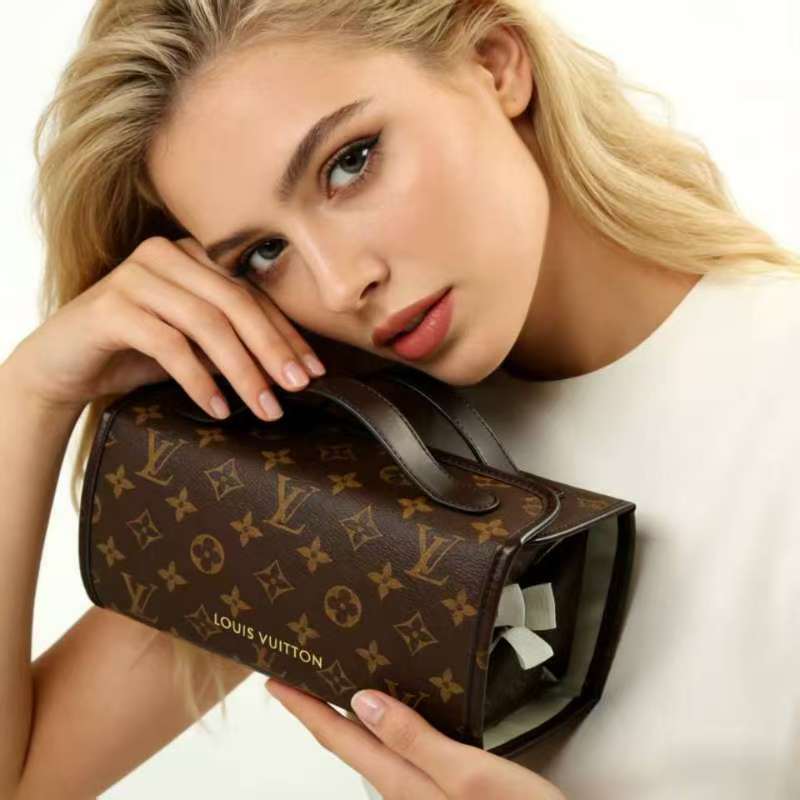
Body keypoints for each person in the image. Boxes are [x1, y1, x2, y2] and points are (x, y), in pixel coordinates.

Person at [1, 0, 797, 798]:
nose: (340, 283)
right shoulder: (333, 479)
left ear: (495, 62)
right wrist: (32, 392)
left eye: (350, 162)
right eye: (264, 253)